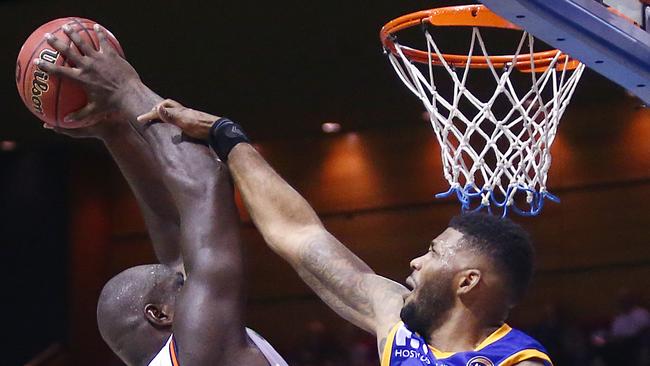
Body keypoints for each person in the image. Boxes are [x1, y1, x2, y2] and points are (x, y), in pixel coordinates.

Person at [137, 102, 553, 365]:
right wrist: (225, 136)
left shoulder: (516, 360)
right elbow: (300, 235)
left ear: (467, 281)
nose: (415, 261)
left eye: (433, 253)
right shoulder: (398, 322)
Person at [36, 24, 287, 366]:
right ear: (159, 314)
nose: (190, 275)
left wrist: (115, 132)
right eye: (182, 285)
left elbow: (174, 226)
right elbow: (204, 185)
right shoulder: (201, 348)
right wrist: (126, 89)